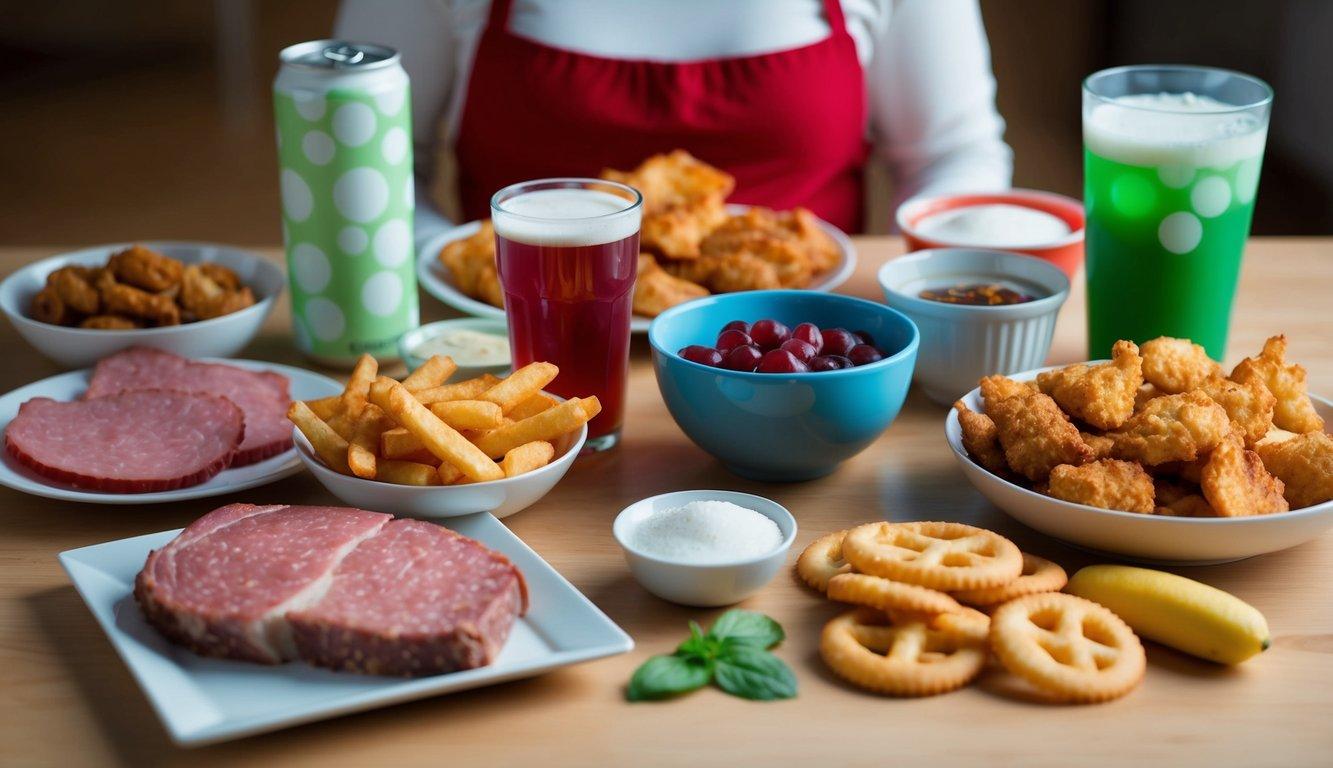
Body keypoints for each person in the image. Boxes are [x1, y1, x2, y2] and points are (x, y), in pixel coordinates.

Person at [335, 0, 1012, 245]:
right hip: (514, 349)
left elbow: (953, 155)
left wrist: (898, 280)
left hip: (805, 361)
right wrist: (448, 264)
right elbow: (365, 165)